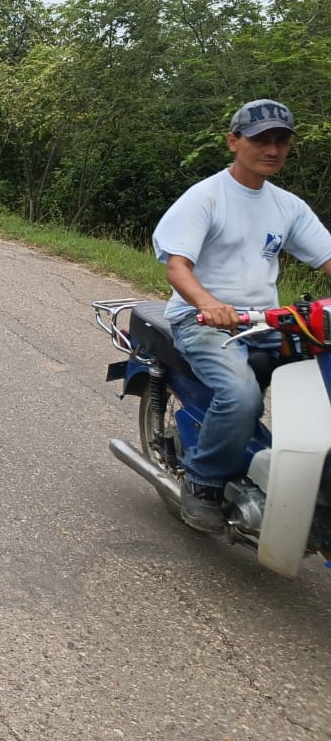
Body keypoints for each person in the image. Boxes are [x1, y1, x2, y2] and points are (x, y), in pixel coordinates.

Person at [152, 99, 331, 532]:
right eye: (260, 139)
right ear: (234, 142)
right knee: (242, 395)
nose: (271, 149)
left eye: (281, 140)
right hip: (201, 322)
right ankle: (204, 482)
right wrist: (208, 304)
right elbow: (178, 266)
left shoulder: (288, 206)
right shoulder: (206, 197)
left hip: (268, 322)